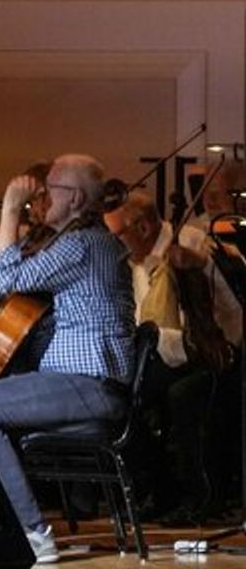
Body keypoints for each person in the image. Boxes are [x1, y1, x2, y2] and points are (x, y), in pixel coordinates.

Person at [0, 154, 136, 564]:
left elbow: (0, 278)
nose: (39, 195)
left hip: (87, 385)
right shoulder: (89, 243)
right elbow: (4, 283)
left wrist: (10, 211)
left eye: (49, 188)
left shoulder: (82, 244)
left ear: (73, 199)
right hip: (81, 384)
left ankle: (32, 535)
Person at [104, 189, 237, 521]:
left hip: (214, 351)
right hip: (162, 358)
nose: (114, 244)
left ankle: (200, 495)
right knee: (118, 394)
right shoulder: (132, 264)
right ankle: (157, 491)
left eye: (118, 235)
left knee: (175, 394)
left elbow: (233, 290)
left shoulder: (192, 241)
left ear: (144, 228)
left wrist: (201, 265)